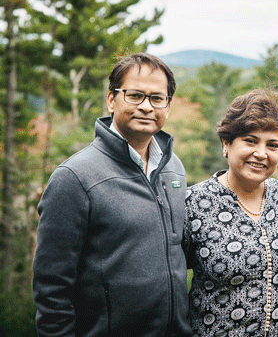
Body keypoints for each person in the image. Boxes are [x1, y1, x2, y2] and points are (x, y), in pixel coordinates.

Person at [32, 53, 193, 336]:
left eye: (157, 98)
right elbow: (51, 289)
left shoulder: (174, 169)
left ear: (167, 106)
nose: (146, 106)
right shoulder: (75, 178)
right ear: (111, 100)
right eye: (135, 95)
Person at [183, 89, 278, 336]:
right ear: (226, 143)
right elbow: (168, 284)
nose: (261, 153)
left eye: (272, 145)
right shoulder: (193, 203)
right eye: (250, 140)